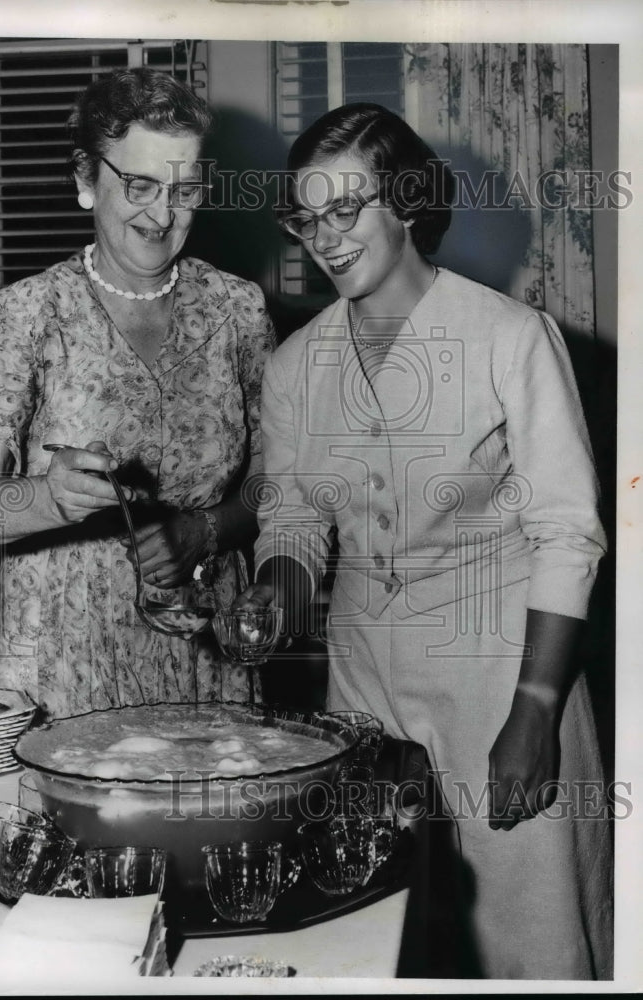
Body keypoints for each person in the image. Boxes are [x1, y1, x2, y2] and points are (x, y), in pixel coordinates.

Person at [239, 103, 613, 979]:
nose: (323, 238)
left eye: (346, 210)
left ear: (406, 201)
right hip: (363, 687)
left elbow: (567, 534)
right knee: (388, 935)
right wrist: (276, 591)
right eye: (306, 215)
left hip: (502, 678)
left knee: (533, 937)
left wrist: (537, 711)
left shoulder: (511, 339)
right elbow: (294, 519)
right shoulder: (296, 366)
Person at [0, 68, 275, 720]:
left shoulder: (240, 310)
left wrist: (208, 529)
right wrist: (48, 497)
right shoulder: (31, 310)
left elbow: (280, 481)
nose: (162, 212)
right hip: (58, 667)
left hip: (200, 655)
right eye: (140, 184)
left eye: (184, 188)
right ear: (87, 180)